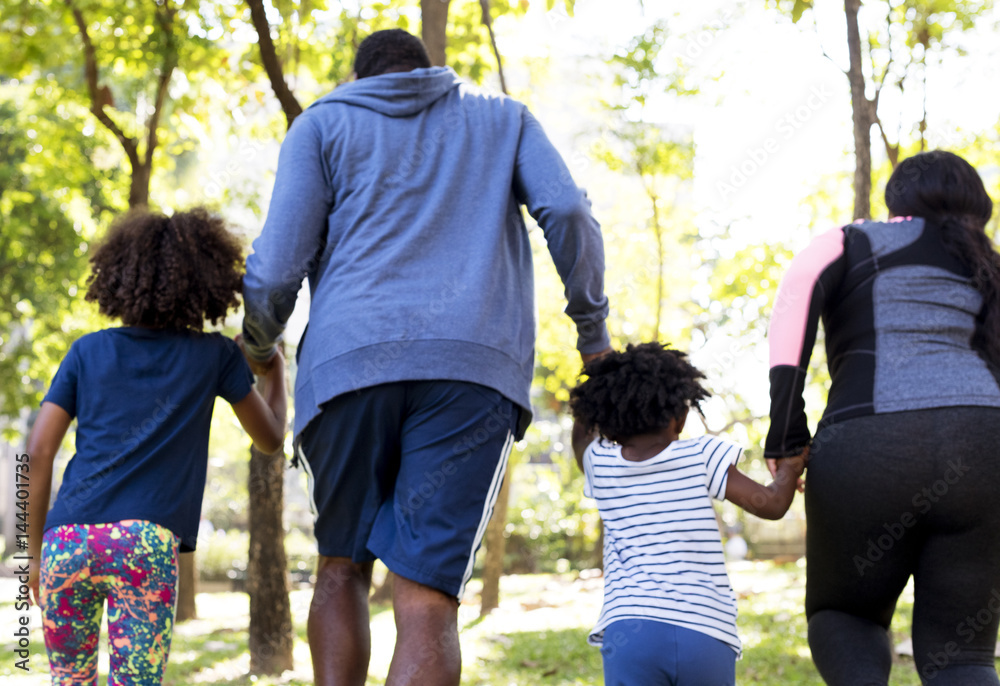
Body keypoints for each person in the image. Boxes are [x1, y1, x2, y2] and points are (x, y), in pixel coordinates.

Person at [240, 27, 611, 686]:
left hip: (346, 370)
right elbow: (571, 212)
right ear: (428, 73)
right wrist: (593, 333)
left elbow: (273, 273)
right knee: (426, 597)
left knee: (339, 566)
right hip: (473, 374)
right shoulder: (504, 119)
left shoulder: (323, 125)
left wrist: (258, 345)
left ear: (359, 81)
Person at [765, 150, 1000, 685]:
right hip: (985, 447)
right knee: (962, 655)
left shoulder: (848, 240)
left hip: (870, 441)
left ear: (897, 198)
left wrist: (785, 437)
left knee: (843, 615)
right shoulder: (989, 262)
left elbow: (789, 320)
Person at [25, 208, 287, 685]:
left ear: (119, 276)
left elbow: (39, 451)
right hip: (143, 544)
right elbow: (270, 439)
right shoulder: (215, 356)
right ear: (205, 283)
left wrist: (34, 552)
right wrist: (277, 375)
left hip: (68, 541)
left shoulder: (87, 350)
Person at [570, 342, 807, 686]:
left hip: (630, 632)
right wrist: (790, 467)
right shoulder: (701, 455)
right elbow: (770, 505)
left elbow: (581, 436)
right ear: (678, 417)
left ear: (606, 421)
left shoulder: (599, 463)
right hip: (705, 631)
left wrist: (595, 369)